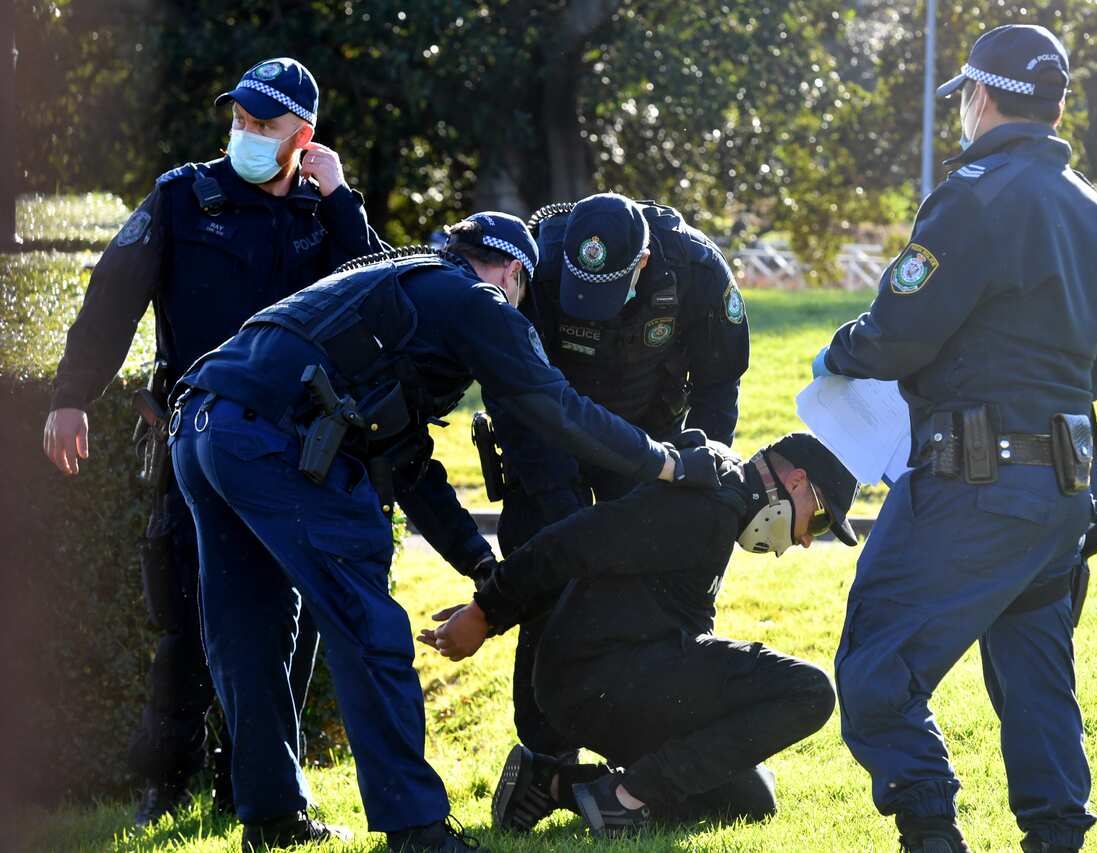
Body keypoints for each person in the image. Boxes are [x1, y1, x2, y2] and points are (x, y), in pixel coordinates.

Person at [166, 212, 724, 852]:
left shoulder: (395, 284)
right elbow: (556, 406)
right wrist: (666, 460)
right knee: (369, 629)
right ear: (516, 273)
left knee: (250, 633)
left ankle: (270, 815)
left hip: (203, 426)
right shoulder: (479, 301)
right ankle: (417, 832)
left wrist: (479, 566)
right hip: (274, 440)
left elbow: (402, 458)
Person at [811, 24, 1097, 853]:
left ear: (982, 96)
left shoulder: (975, 195)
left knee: (876, 664)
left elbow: (896, 333)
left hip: (971, 482)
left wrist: (836, 354)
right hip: (1062, 493)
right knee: (1035, 675)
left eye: (964, 97)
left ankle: (931, 832)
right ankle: (1058, 837)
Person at [40, 57, 383, 824]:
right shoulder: (182, 198)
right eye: (240, 119)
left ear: (305, 135)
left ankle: (252, 791)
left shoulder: (324, 211)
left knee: (288, 632)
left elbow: (375, 297)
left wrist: (339, 201)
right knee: (186, 618)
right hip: (191, 442)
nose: (247, 135)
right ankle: (165, 784)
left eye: (265, 124)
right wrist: (69, 397)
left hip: (295, 454)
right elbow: (110, 299)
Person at [421, 432, 857, 839]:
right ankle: (627, 798)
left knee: (749, 798)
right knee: (810, 691)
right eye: (819, 522)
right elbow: (572, 543)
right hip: (598, 679)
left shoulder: (726, 498)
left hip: (616, 676)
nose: (805, 541)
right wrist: (484, 613)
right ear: (797, 481)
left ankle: (552, 783)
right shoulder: (707, 504)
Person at [485, 191, 751, 760]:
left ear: (645, 262)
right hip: (549, 444)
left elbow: (718, 383)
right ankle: (544, 762)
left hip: (651, 451)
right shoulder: (538, 264)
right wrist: (561, 503)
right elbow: (513, 391)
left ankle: (633, 751)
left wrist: (697, 477)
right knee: (546, 583)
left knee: (642, 600)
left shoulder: (696, 268)